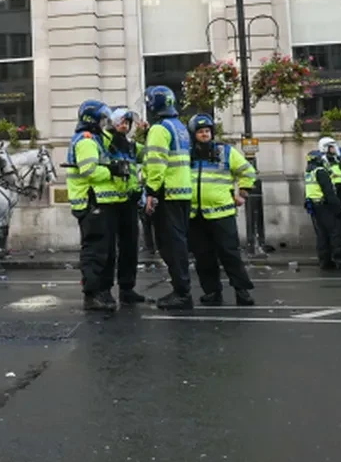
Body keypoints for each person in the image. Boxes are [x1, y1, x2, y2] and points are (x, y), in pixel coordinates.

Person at [187, 114, 256, 306]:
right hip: (196, 214)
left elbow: (248, 171)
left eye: (207, 131)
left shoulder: (225, 152)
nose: (205, 134)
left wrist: (242, 193)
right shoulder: (186, 154)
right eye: (200, 132)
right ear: (193, 134)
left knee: (230, 254)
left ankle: (242, 291)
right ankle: (212, 292)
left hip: (222, 213)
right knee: (203, 257)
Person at [66, 100, 125, 311]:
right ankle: (92, 295)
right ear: (92, 121)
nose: (104, 123)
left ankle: (104, 291)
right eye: (102, 119)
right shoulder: (86, 141)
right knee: (95, 252)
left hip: (103, 203)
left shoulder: (98, 139)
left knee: (107, 252)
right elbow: (89, 170)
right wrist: (112, 170)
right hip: (92, 204)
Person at [142, 85, 193, 310]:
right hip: (182, 192)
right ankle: (182, 289)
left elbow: (156, 163)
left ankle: (182, 293)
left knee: (170, 246)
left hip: (167, 193)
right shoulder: (180, 127)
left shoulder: (159, 129)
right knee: (179, 244)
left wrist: (152, 192)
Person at [105, 107, 147, 304]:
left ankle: (127, 288)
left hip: (129, 201)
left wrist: (145, 134)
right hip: (110, 202)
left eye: (127, 123)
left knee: (130, 246)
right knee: (108, 249)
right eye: (121, 122)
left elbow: (148, 155)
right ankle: (104, 290)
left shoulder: (131, 145)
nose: (125, 125)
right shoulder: (105, 141)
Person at [304, 149, 341, 268]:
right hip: (324, 206)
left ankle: (324, 260)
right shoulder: (320, 171)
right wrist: (337, 207)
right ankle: (337, 258)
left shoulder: (309, 172)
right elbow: (328, 191)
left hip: (314, 206)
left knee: (321, 234)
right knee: (334, 231)